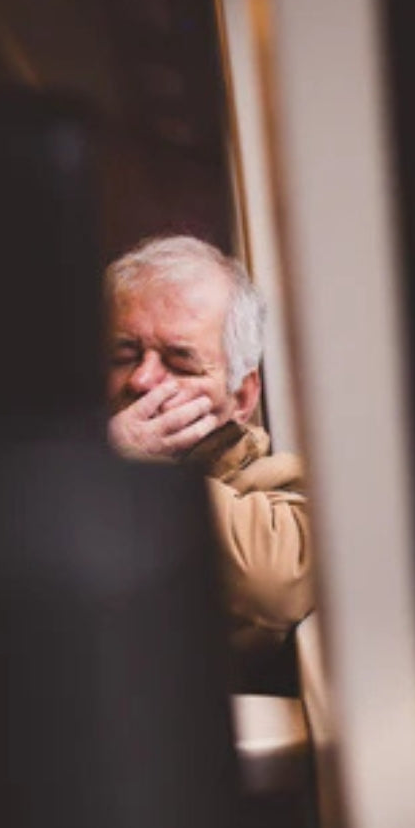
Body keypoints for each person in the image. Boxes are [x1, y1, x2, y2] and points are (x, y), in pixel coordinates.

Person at [104, 235, 312, 669]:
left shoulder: (287, 487)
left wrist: (132, 464)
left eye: (180, 363)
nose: (142, 380)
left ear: (242, 395)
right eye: (124, 355)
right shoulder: (67, 476)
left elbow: (270, 584)